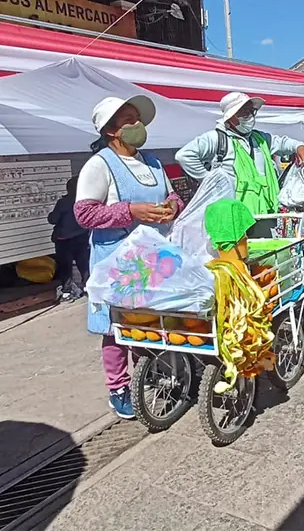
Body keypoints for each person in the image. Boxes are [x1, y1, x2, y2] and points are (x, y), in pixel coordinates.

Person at [75, 95, 183, 420]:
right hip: (117, 260)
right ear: (111, 130)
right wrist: (131, 211)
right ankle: (118, 387)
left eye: (138, 118)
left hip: (154, 256)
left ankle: (151, 372)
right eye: (128, 119)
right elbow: (84, 214)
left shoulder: (153, 162)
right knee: (116, 328)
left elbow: (172, 194)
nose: (137, 125)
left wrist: (173, 207)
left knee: (152, 319)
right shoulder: (99, 165)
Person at [176, 92, 304, 214]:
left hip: (266, 212)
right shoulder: (216, 138)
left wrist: (299, 146)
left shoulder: (260, 139)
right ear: (231, 117)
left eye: (252, 111)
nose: (250, 116)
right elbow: (184, 156)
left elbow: (283, 143)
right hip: (233, 216)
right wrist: (209, 180)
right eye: (244, 112)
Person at [48, 176, 90, 302]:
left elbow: (52, 219)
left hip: (64, 240)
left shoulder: (63, 202)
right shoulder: (85, 202)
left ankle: (66, 291)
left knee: (65, 266)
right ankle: (88, 287)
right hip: (82, 237)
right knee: (83, 263)